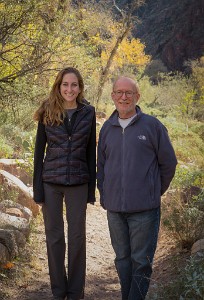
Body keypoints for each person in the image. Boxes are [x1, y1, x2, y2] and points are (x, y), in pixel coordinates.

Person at [97, 76, 177, 300]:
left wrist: (154, 191)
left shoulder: (152, 126)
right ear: (113, 96)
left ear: (137, 97)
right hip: (115, 209)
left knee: (141, 262)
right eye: (119, 92)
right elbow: (101, 166)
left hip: (145, 210)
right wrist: (105, 194)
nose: (124, 97)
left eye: (128, 93)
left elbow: (168, 163)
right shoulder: (107, 128)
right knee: (122, 258)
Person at [33, 67, 96, 300]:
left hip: (78, 182)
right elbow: (39, 152)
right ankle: (59, 291)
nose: (70, 89)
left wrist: (91, 190)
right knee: (54, 237)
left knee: (77, 236)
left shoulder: (88, 112)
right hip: (50, 182)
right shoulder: (47, 109)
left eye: (74, 85)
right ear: (59, 86)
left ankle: (75, 292)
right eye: (65, 85)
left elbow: (91, 152)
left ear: (80, 87)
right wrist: (37, 189)